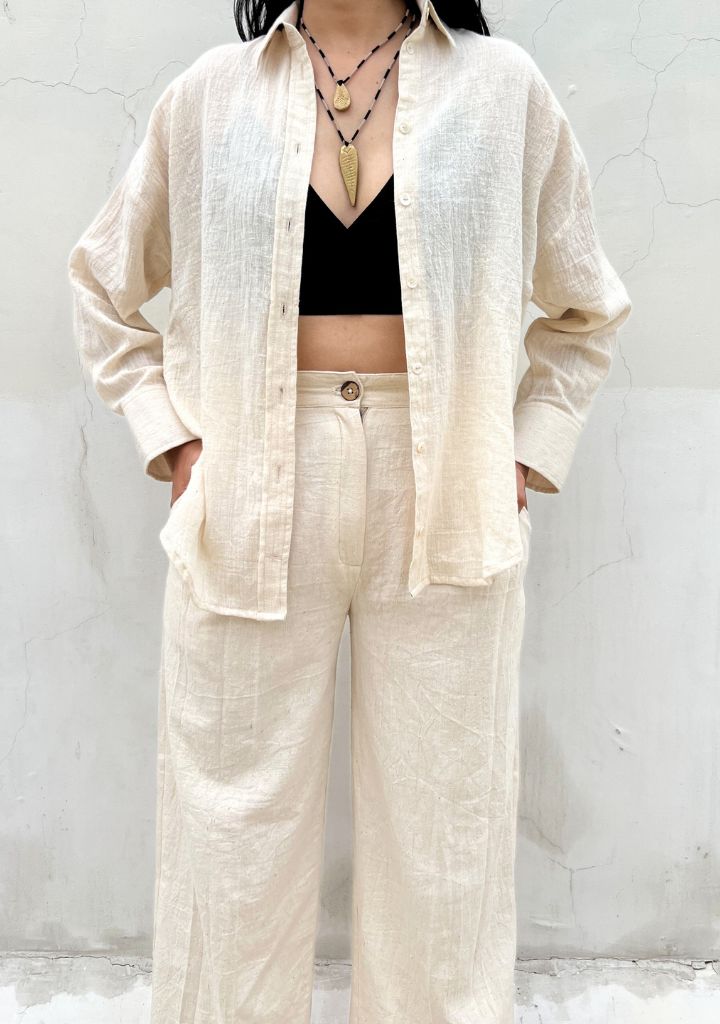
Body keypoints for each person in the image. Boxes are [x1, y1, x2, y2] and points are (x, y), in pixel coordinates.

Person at [66, 0, 632, 1021]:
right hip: (248, 476)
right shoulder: (209, 96)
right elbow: (102, 283)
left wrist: (522, 450)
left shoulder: (503, 90)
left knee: (446, 822)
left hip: (447, 477)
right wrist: (177, 441)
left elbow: (585, 304)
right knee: (229, 826)